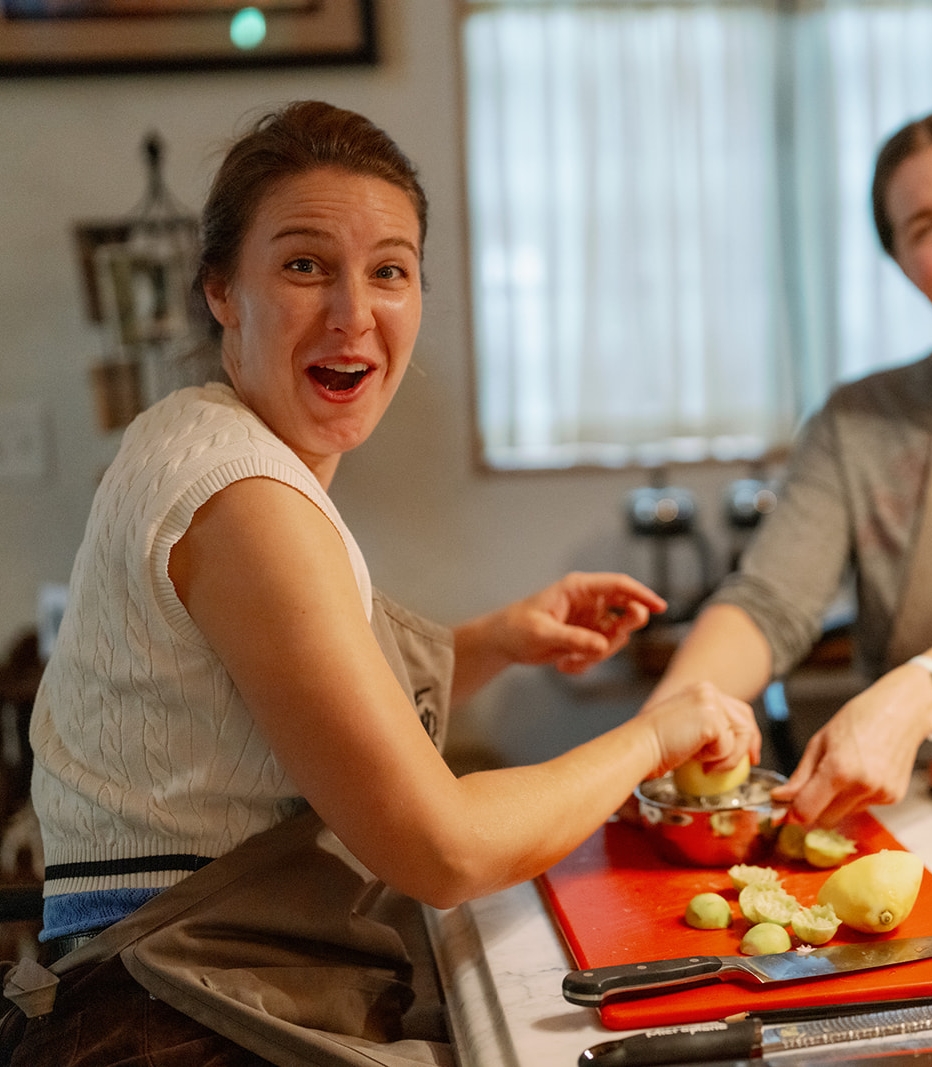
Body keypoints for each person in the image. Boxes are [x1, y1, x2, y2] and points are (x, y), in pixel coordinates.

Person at [0, 102, 760, 1066]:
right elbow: (445, 850)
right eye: (305, 265)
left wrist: (497, 639)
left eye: (389, 271)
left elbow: (296, 704)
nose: (353, 314)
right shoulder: (242, 496)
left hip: (183, 985)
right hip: (168, 1015)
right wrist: (656, 734)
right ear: (222, 290)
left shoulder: (193, 433)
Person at [647, 110, 932, 830]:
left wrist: (919, 692)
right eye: (927, 229)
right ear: (900, 261)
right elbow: (768, 602)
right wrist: (657, 733)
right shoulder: (859, 420)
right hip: (921, 809)